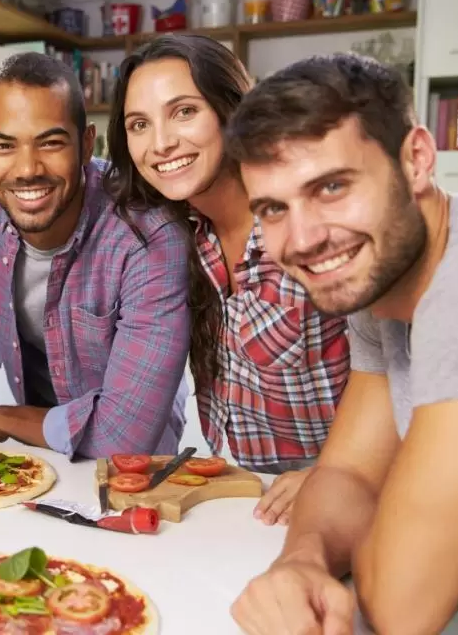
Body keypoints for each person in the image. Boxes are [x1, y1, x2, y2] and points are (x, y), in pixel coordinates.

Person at [226, 53, 458, 634]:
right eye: (274, 209)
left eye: (332, 186)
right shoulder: (380, 287)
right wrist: (302, 560)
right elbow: (348, 476)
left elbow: (402, 606)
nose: (305, 238)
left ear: (415, 160)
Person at [0, 52, 191, 458]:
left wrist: (3, 418)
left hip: (132, 473)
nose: (27, 168)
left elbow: (126, 435)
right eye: (4, 145)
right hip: (34, 458)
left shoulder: (150, 236)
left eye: (50, 143)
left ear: (86, 145)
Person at [104, 34, 350, 520]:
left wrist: (341, 469)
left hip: (348, 494)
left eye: (184, 111)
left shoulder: (313, 220)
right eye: (139, 124)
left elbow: (402, 374)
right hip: (245, 498)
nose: (162, 143)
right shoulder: (182, 235)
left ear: (232, 109)